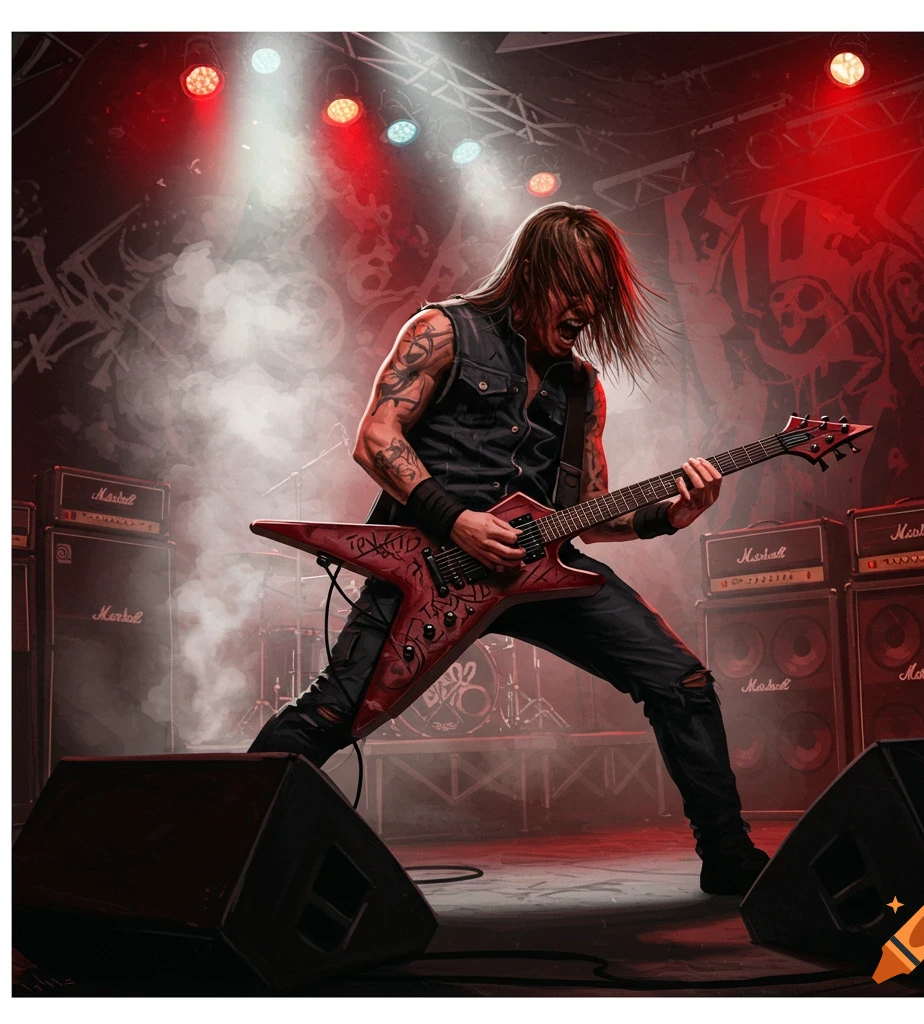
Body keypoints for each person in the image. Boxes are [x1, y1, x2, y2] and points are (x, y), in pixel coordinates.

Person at [249, 203, 769, 896]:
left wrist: (673, 515)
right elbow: (376, 439)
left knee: (683, 683)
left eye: (599, 295)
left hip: (540, 571)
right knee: (332, 712)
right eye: (574, 288)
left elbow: (591, 513)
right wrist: (456, 520)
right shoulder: (443, 330)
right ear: (533, 272)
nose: (586, 308)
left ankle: (730, 857)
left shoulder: (581, 386)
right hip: (432, 568)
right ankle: (226, 851)